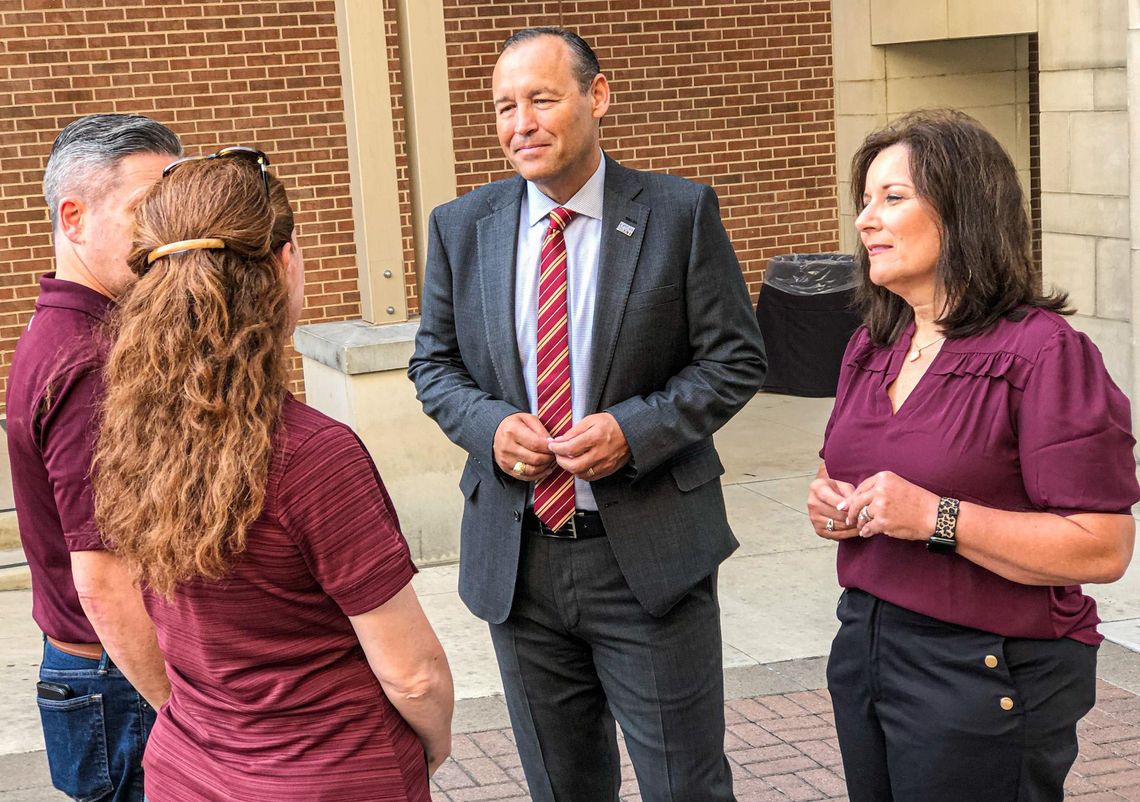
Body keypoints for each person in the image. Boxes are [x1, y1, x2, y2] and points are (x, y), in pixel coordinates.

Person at [409, 26, 766, 802]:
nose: (520, 123)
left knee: (687, 788)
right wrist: (489, 427)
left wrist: (634, 430)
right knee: (562, 789)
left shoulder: (679, 214)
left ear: (597, 96)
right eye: (504, 106)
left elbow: (736, 359)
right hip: (521, 561)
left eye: (541, 98)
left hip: (646, 563)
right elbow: (433, 365)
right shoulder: (462, 227)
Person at [91, 150, 453, 801]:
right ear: (283, 263)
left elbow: (122, 606)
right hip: (332, 775)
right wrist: (433, 744)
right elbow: (415, 676)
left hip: (189, 771)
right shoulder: (314, 457)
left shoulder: (129, 443)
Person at [807, 109, 1139, 802]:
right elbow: (843, 466)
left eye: (892, 198)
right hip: (867, 645)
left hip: (985, 669)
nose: (866, 220)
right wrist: (833, 503)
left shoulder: (1044, 354)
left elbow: (1102, 547)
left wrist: (937, 518)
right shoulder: (873, 345)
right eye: (863, 201)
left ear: (965, 212)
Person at [7, 113, 182, 802]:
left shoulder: (74, 327)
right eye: (145, 210)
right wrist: (189, 714)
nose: (164, 235)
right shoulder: (89, 362)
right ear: (72, 217)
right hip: (121, 682)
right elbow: (106, 585)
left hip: (105, 679)